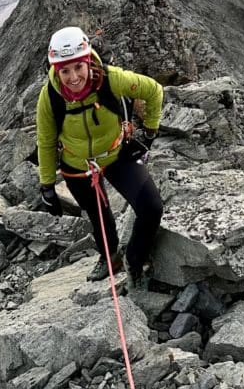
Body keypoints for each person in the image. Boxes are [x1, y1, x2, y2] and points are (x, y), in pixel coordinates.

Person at [36, 25, 164, 287]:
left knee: (151, 208)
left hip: (117, 154)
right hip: (77, 166)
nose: (73, 77)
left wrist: (149, 131)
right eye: (65, 71)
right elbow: (46, 142)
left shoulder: (110, 78)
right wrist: (47, 185)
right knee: (99, 217)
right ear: (56, 71)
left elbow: (154, 91)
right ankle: (110, 259)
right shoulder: (50, 96)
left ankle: (133, 260)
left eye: (78, 68)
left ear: (87, 61)